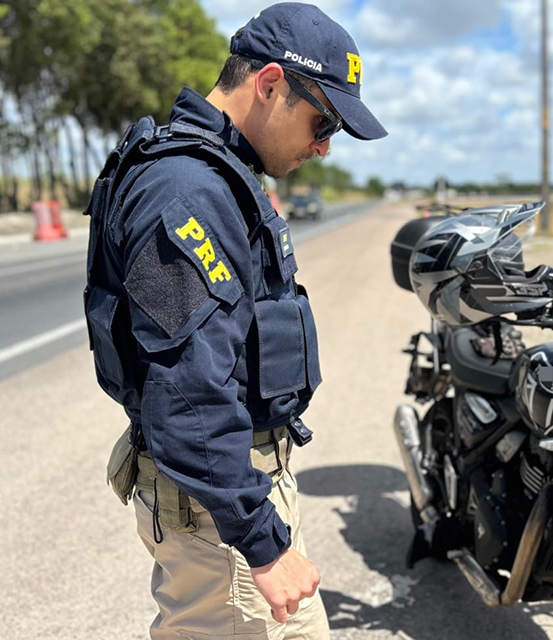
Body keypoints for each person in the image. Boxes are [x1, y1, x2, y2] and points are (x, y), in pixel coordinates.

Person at [83, 3, 387, 639]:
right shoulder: (187, 190)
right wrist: (262, 543)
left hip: (227, 496)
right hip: (220, 515)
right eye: (323, 121)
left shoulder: (212, 175)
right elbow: (188, 391)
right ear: (271, 83)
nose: (325, 145)